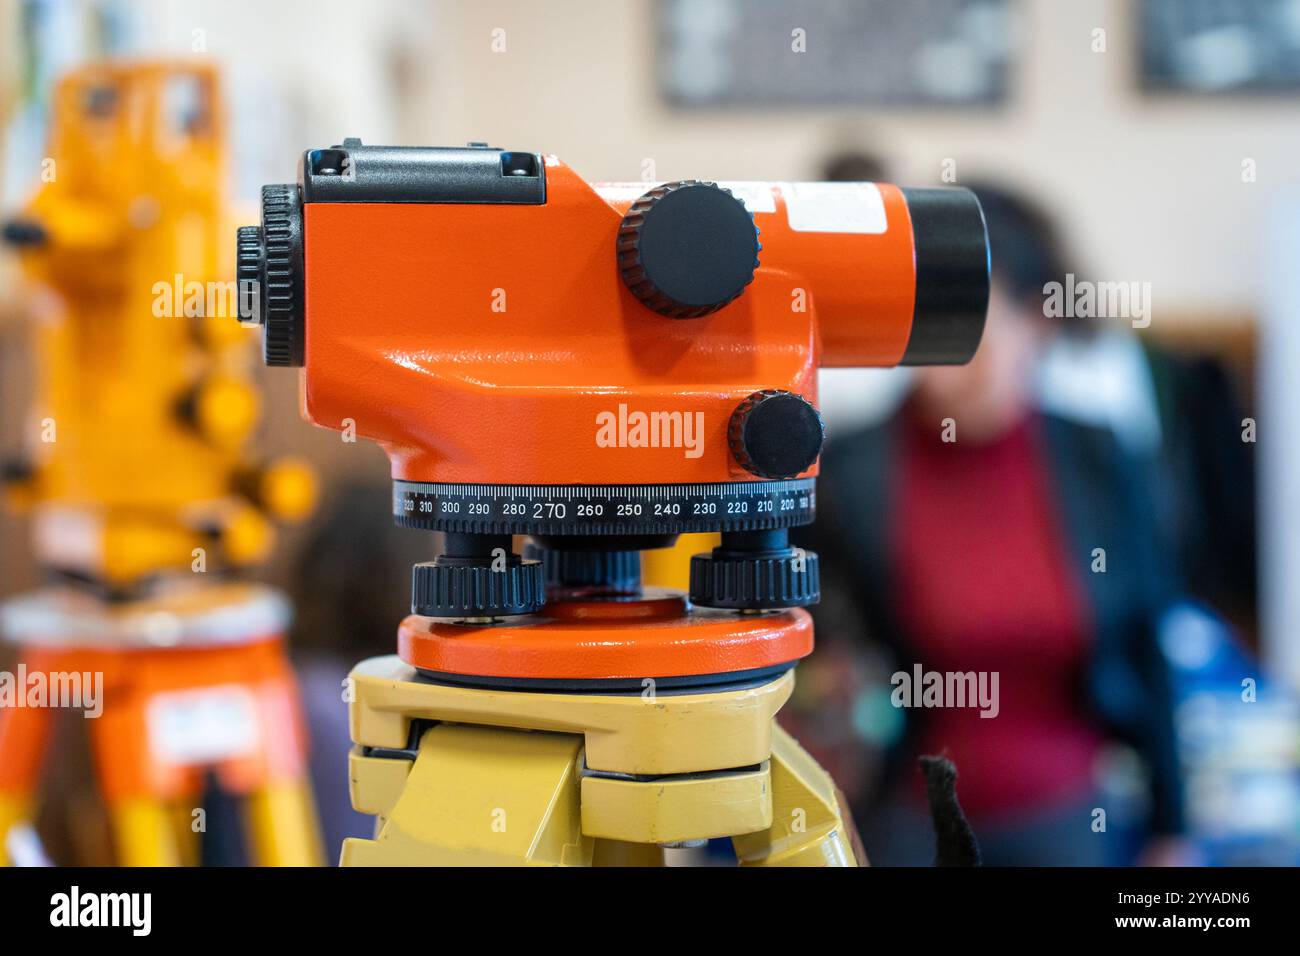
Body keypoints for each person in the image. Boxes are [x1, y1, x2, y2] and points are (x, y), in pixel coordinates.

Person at [797, 183, 1188, 866]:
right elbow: (817, 647)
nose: (934, 345)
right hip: (905, 817)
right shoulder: (854, 468)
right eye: (923, 314)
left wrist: (1171, 827)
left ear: (1036, 322)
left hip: (1070, 815)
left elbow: (1148, 644)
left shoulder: (1098, 458)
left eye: (966, 318)